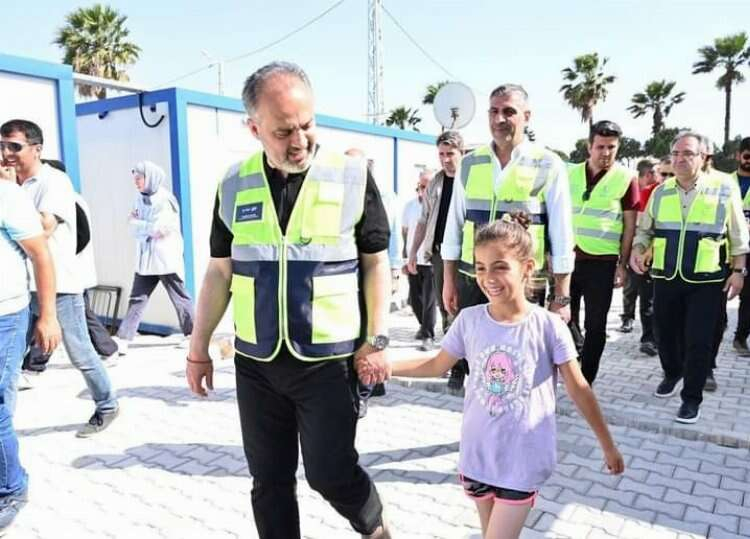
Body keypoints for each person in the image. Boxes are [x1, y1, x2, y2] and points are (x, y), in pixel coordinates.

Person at [186, 62, 392, 539]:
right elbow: (220, 271)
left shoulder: (351, 176)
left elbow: (376, 264)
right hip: (257, 363)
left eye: (307, 125)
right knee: (269, 482)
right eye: (283, 132)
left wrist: (377, 339)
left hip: (328, 362)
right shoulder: (234, 183)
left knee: (329, 472)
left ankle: (375, 527)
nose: (300, 141)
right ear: (254, 128)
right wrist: (198, 349)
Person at [357, 215, 624, 539]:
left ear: (527, 268)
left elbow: (579, 388)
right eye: (481, 267)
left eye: (500, 267)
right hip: (478, 457)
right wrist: (384, 366)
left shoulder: (548, 326)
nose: (488, 278)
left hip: (523, 461)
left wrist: (608, 446)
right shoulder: (469, 320)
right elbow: (436, 364)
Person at [441, 83, 575, 391]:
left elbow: (562, 235)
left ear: (527, 116)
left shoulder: (548, 164)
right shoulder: (470, 163)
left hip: (523, 284)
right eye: (494, 111)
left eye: (509, 112)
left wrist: (561, 297)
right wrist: (448, 280)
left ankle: (518, 413)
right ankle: (483, 413)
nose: (499, 119)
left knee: (521, 359)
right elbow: (453, 225)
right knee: (475, 359)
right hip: (473, 280)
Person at [1, 119, 119, 437]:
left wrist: (10, 191)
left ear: (36, 149)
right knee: (10, 359)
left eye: (14, 146)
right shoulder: (10, 181)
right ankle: (4, 426)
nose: (6, 153)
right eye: (1, 145)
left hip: (58, 286)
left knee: (80, 350)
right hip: (19, 287)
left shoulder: (54, 181)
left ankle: (107, 404)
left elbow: (44, 227)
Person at [631, 131, 749, 423]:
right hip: (666, 276)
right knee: (664, 332)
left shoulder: (723, 189)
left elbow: (738, 236)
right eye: (676, 153)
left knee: (699, 340)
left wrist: (738, 271)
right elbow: (645, 230)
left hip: (707, 281)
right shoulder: (661, 192)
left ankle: (691, 399)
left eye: (688, 153)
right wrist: (638, 249)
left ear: (703, 157)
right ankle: (672, 373)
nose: (680, 159)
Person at [568, 121, 639, 384]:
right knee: (563, 318)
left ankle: (586, 378)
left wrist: (622, 264)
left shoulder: (626, 178)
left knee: (596, 325)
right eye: (600, 147)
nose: (606, 153)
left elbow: (630, 225)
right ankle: (572, 357)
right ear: (589, 146)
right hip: (569, 260)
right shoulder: (569, 174)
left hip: (603, 263)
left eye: (612, 147)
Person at [112, 161, 194, 355]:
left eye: (139, 178)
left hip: (164, 258)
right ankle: (124, 338)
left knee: (179, 297)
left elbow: (160, 229)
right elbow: (131, 226)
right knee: (137, 298)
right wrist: (143, 226)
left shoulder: (165, 200)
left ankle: (193, 335)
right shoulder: (139, 198)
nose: (136, 182)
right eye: (135, 179)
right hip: (146, 259)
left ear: (150, 178)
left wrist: (139, 224)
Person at [407, 130, 464, 336]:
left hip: (465, 253)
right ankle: (451, 347)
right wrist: (413, 252)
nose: (445, 159)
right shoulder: (435, 184)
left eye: (450, 154)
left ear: (461, 152)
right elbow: (423, 221)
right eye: (441, 154)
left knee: (464, 304)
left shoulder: (468, 180)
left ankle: (463, 346)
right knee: (445, 304)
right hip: (440, 253)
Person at [619, 159, 659, 356]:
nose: (665, 178)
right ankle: (647, 337)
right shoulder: (648, 194)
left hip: (667, 259)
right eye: (663, 173)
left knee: (654, 300)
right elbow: (640, 227)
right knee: (638, 293)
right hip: (641, 253)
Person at [402, 170, 436, 350]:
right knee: (415, 300)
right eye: (422, 186)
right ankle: (423, 326)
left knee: (429, 300)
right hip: (413, 259)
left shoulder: (437, 206)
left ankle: (428, 335)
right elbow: (405, 232)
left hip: (431, 259)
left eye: (428, 186)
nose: (424, 189)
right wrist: (405, 257)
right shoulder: (410, 206)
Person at [732, 137, 750, 357]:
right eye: (747, 156)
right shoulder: (724, 182)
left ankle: (741, 337)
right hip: (726, 248)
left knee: (748, 297)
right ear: (738, 155)